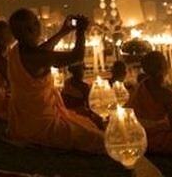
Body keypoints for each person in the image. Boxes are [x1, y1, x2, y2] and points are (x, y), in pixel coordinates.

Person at [7, 8, 105, 153]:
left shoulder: (17, 50)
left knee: (86, 123)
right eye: (36, 22)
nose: (38, 26)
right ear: (31, 28)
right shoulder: (35, 57)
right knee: (98, 139)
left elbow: (43, 51)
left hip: (22, 121)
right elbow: (76, 57)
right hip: (41, 124)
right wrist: (81, 31)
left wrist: (63, 32)